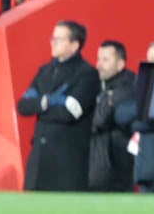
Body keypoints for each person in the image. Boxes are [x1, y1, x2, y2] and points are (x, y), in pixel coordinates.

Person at [16, 19, 102, 192]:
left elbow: (70, 112)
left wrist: (40, 105)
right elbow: (23, 106)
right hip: (39, 159)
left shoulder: (87, 74)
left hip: (67, 163)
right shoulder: (44, 71)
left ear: (74, 45)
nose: (53, 43)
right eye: (52, 38)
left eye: (59, 39)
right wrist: (48, 101)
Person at [88, 39, 135, 192]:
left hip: (115, 168)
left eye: (105, 60)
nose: (99, 65)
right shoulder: (98, 84)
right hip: (96, 166)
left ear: (120, 64)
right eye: (98, 59)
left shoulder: (128, 86)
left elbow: (100, 119)